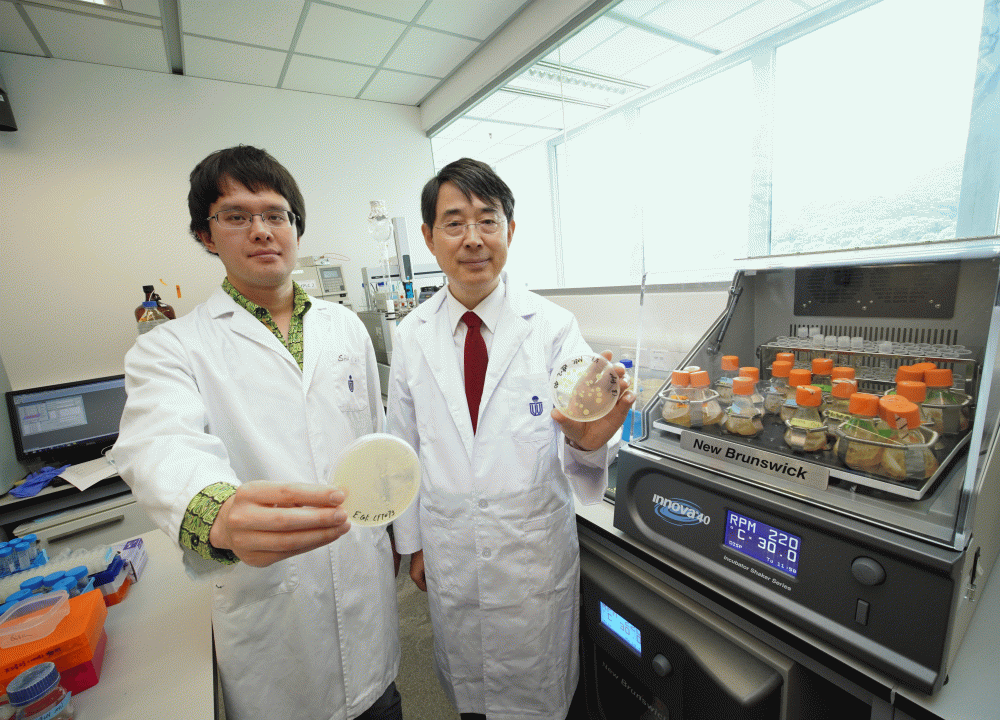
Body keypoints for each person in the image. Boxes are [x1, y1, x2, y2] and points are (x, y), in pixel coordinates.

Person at [111, 145, 403, 720]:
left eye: (276, 214)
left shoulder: (346, 327)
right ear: (206, 236)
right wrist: (218, 513)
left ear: (295, 227)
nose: (262, 230)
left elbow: (375, 438)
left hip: (364, 591)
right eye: (237, 216)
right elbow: (159, 443)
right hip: (272, 616)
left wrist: (391, 532)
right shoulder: (172, 348)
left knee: (379, 703)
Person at [387, 157, 634, 720]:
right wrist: (414, 544)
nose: (473, 238)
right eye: (454, 223)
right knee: (470, 696)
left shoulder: (553, 327)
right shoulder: (412, 335)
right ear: (429, 237)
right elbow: (402, 447)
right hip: (450, 547)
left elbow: (582, 428)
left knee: (539, 699)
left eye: (488, 220)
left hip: (531, 559)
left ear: (510, 230)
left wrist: (590, 440)